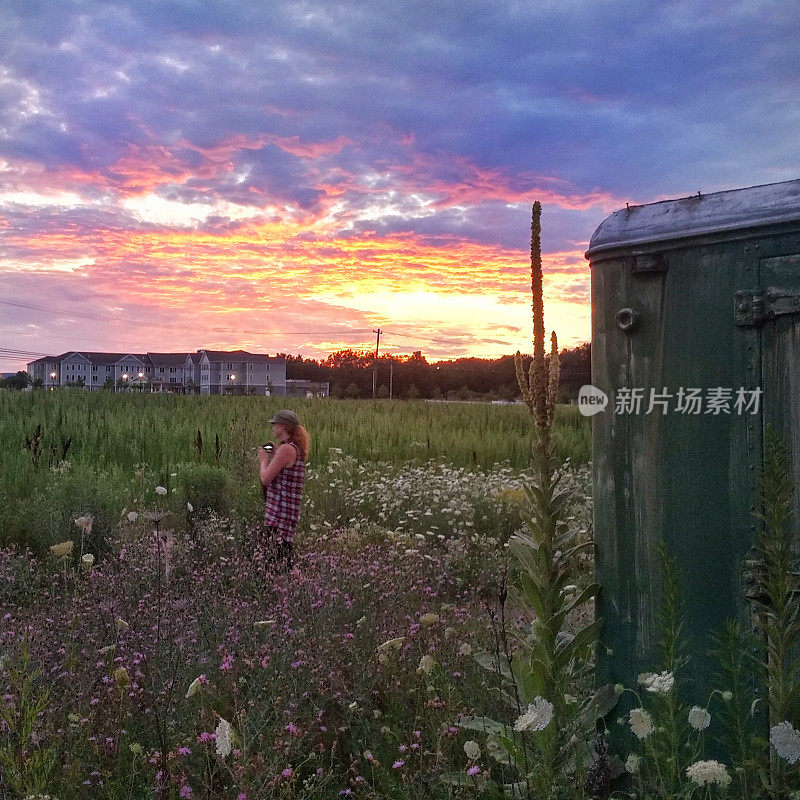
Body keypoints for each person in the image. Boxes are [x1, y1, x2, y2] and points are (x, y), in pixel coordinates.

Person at [257, 409, 309, 572]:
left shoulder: (287, 450)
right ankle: (301, 592)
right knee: (283, 559)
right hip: (285, 513)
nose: (273, 428)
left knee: (279, 561)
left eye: (275, 424)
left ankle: (300, 592)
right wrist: (274, 453)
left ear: (283, 427)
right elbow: (283, 471)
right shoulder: (291, 448)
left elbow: (265, 478)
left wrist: (263, 460)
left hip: (279, 515)